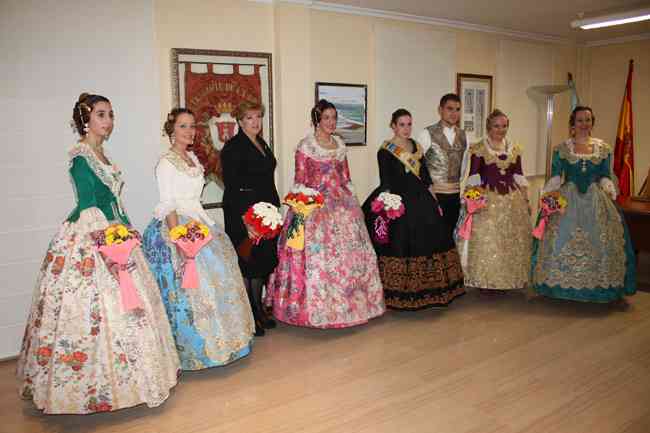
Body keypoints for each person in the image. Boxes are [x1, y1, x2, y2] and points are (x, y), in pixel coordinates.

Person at [17, 93, 180, 414]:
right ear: (86, 119)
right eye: (101, 114)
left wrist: (127, 229)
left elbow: (114, 202)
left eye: (110, 114)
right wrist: (108, 247)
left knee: (134, 302)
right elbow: (89, 205)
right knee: (97, 306)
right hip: (92, 235)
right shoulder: (81, 157)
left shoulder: (101, 154)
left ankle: (137, 380)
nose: (108, 121)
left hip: (115, 230)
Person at [142, 108, 254, 370]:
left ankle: (227, 341)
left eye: (192, 126)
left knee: (220, 274)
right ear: (171, 131)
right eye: (183, 126)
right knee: (192, 287)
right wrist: (180, 241)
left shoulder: (191, 158)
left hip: (198, 221)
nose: (189, 131)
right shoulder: (166, 162)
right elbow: (169, 204)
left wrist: (206, 225)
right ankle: (196, 349)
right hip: (178, 225)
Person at [266, 99, 385, 328]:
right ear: (317, 120)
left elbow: (346, 178)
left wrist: (353, 202)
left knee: (352, 253)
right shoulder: (306, 146)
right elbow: (300, 180)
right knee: (312, 253)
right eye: (327, 118)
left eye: (334, 118)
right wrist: (302, 209)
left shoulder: (339, 144)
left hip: (342, 204)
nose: (331, 122)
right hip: (313, 204)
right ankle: (314, 308)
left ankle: (352, 306)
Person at [531, 106, 636, 302]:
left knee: (601, 239)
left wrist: (608, 187)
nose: (584, 124)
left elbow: (604, 175)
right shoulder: (561, 149)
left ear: (592, 122)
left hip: (595, 199)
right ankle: (557, 284)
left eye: (588, 120)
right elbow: (556, 176)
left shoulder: (603, 149)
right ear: (572, 123)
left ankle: (599, 285)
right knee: (560, 237)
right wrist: (548, 193)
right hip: (567, 198)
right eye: (580, 120)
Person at [363, 109, 464, 309]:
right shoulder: (385, 150)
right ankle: (400, 291)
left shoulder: (416, 146)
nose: (406, 128)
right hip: (399, 199)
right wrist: (389, 203)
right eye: (402, 124)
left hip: (421, 197)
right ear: (393, 126)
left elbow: (425, 175)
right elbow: (386, 181)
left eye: (409, 124)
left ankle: (434, 289)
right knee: (401, 240)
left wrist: (433, 198)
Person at [221, 101, 280, 336]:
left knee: (262, 262)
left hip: (265, 212)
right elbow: (233, 187)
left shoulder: (261, 143)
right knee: (249, 264)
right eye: (249, 118)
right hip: (244, 214)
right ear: (240, 121)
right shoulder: (233, 148)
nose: (255, 122)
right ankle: (251, 316)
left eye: (258, 117)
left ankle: (259, 309)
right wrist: (246, 221)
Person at [457, 109, 532, 292]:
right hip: (487, 200)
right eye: (497, 126)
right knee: (489, 240)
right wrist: (470, 200)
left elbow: (519, 175)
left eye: (504, 126)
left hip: (512, 201)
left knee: (511, 240)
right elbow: (474, 176)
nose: (501, 129)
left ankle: (508, 280)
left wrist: (526, 200)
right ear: (489, 127)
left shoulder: (515, 149)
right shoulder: (479, 148)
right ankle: (487, 280)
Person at [416, 93, 468, 235]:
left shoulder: (464, 135)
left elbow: (463, 166)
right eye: (450, 109)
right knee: (433, 235)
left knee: (451, 235)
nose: (454, 113)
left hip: (454, 194)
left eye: (457, 109)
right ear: (440, 110)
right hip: (433, 195)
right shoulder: (427, 133)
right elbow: (417, 165)